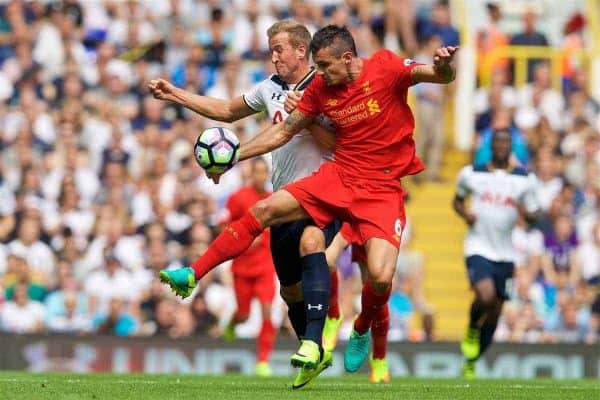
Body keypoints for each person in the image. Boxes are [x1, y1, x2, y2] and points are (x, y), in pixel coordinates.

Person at [159, 24, 457, 376]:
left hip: (382, 188)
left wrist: (444, 65)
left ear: (347, 59)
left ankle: (361, 326)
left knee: (378, 277)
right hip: (341, 176)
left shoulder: (386, 68)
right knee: (265, 210)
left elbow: (437, 76)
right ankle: (193, 274)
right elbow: (283, 131)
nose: (323, 75)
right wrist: (234, 155)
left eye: (327, 67)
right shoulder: (317, 87)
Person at [149, 20, 339, 389]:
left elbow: (336, 145)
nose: (274, 56)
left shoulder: (325, 84)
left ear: (302, 50)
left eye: (280, 49)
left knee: (311, 242)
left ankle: (316, 343)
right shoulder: (270, 88)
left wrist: (308, 117)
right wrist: (176, 94)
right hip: (284, 194)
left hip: (324, 190)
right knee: (290, 292)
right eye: (271, 50)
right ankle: (312, 349)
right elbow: (225, 110)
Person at [453, 129, 540, 378]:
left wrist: (528, 213)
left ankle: (472, 359)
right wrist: (465, 214)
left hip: (506, 254)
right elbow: (457, 201)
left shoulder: (525, 179)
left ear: (511, 147)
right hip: (478, 247)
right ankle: (471, 328)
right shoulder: (472, 173)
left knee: (496, 311)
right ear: (491, 146)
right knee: (486, 295)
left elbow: (534, 217)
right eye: (498, 142)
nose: (502, 146)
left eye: (506, 143)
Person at [220, 158, 277, 377]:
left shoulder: (274, 199)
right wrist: (241, 238)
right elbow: (223, 226)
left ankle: (262, 361)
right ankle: (233, 323)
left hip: (265, 265)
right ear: (251, 174)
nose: (261, 176)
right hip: (242, 267)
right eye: (257, 172)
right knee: (244, 314)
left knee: (266, 311)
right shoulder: (238, 198)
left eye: (264, 172)